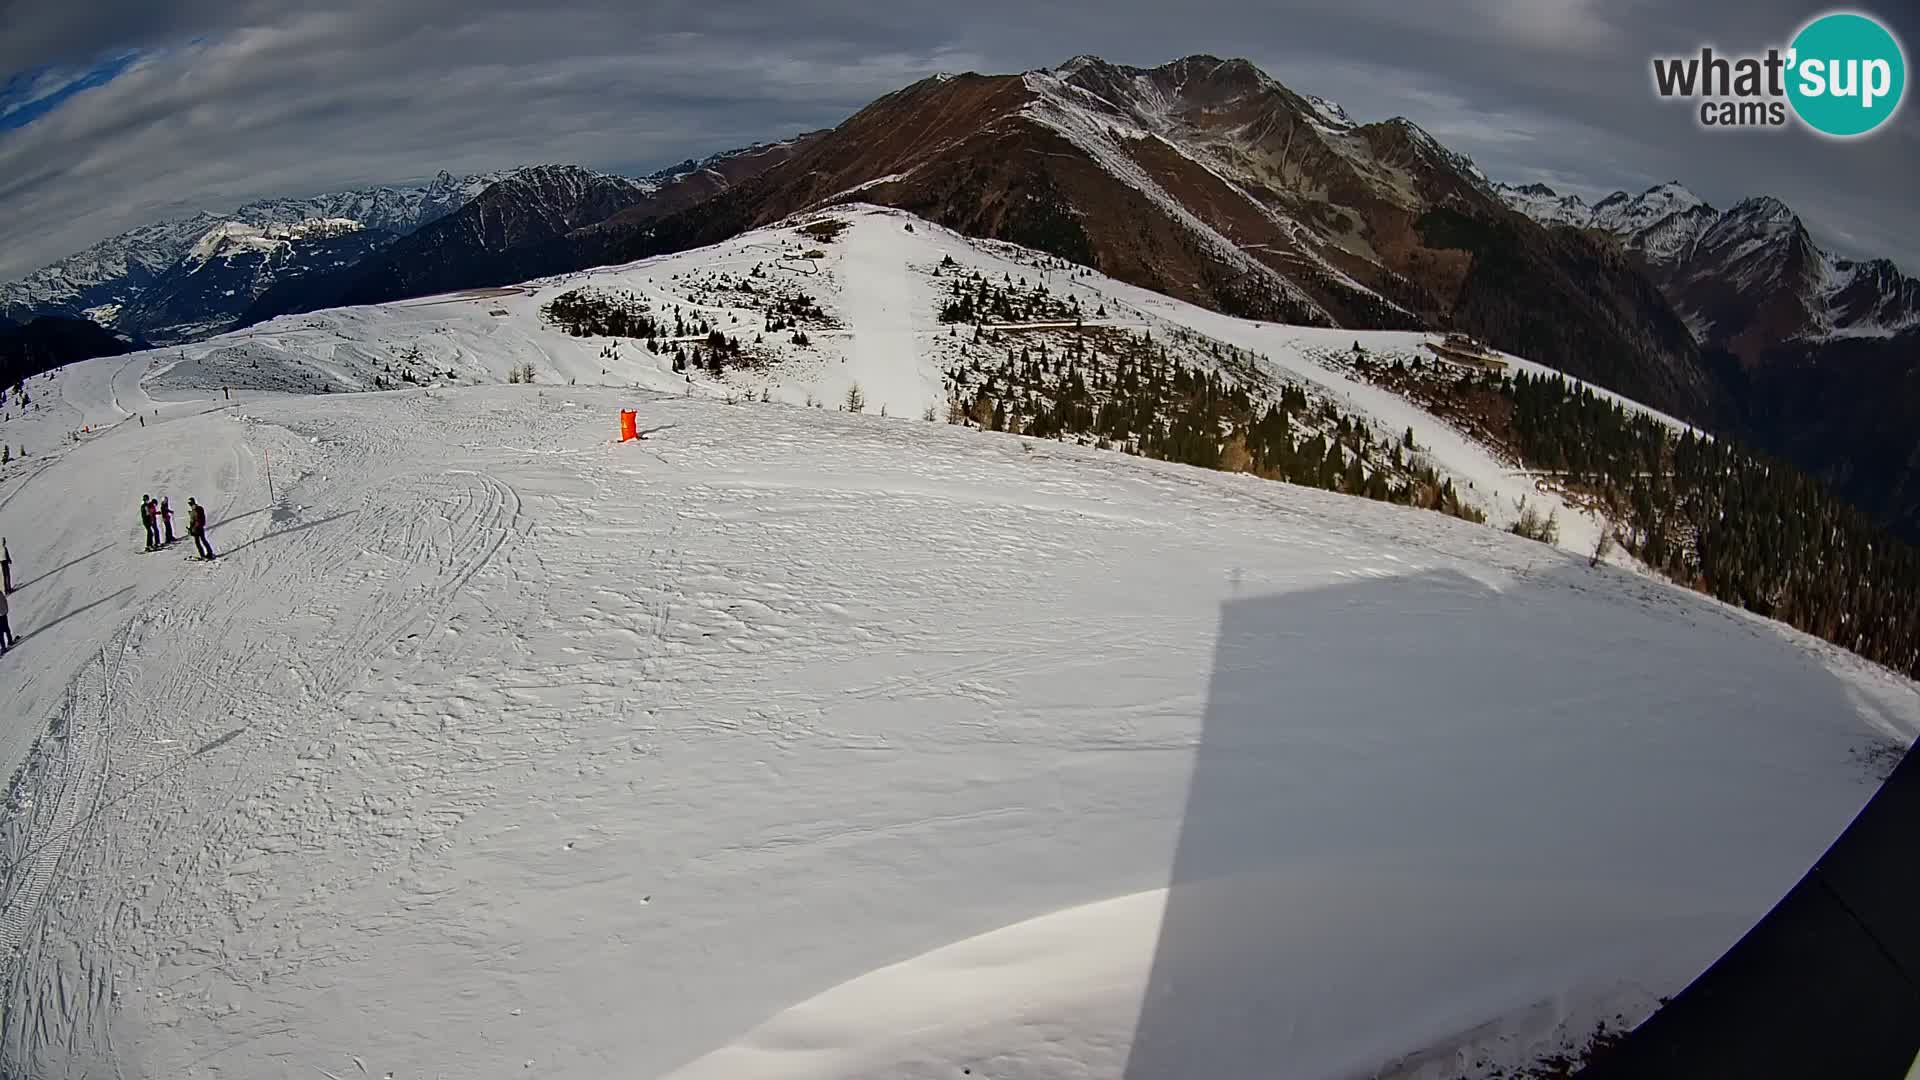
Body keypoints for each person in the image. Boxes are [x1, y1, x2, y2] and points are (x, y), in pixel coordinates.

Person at [0, 587, 11, 654]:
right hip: (4, 612)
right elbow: (5, 600)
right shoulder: (0, 593)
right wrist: (6, 610)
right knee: (6, 628)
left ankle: (3, 647)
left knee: (0, 633)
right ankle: (10, 640)